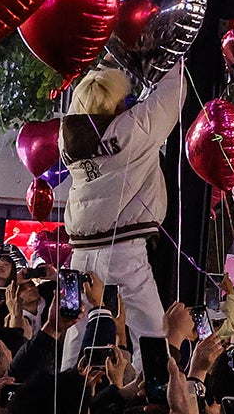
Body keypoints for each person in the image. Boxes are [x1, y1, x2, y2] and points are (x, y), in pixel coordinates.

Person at [55, 61, 188, 356]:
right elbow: (172, 92)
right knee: (152, 333)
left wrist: (109, 60)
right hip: (124, 248)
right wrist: (167, 55)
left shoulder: (66, 137)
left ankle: (70, 390)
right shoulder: (133, 129)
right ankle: (147, 394)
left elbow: (88, 93)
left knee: (76, 332)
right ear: (116, 104)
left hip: (80, 252)